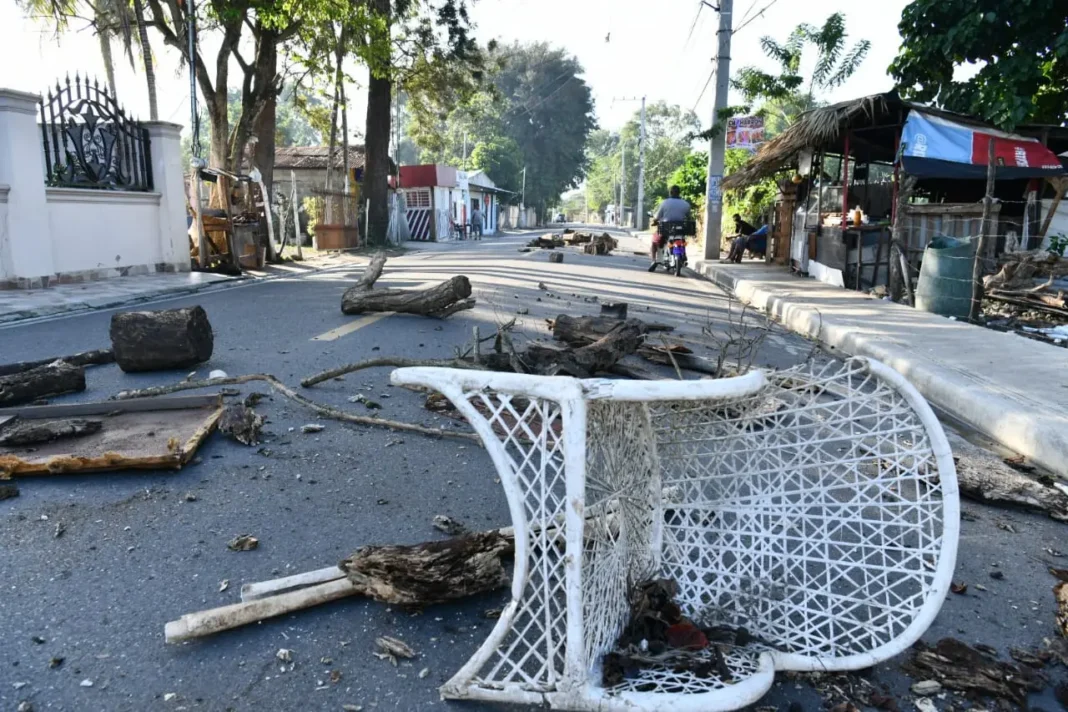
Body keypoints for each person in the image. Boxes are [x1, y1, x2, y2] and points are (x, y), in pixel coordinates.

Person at [649, 185, 691, 271]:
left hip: (666, 229)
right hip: (680, 229)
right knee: (682, 240)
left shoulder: (664, 203)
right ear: (679, 193)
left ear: (670, 192)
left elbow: (657, 216)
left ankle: (653, 261)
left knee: (654, 242)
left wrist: (655, 220)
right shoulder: (686, 204)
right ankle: (683, 254)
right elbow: (688, 217)